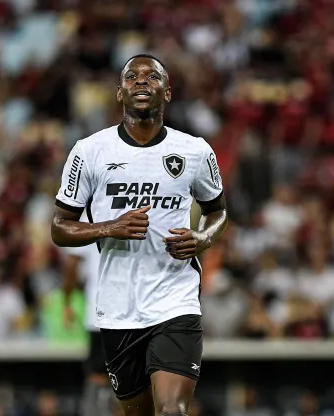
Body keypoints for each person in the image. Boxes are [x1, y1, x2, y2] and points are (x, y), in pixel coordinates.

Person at [51, 54, 228, 416]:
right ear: (119, 93)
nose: (142, 82)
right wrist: (109, 228)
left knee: (171, 411)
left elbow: (218, 211)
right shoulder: (89, 152)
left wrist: (203, 238)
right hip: (118, 309)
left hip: (175, 300)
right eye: (132, 77)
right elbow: (59, 227)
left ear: (167, 92)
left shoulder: (194, 151)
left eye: (152, 77)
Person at [60, 211, 112, 416]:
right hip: (128, 311)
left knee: (98, 374)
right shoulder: (130, 207)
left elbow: (72, 266)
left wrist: (67, 301)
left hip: (99, 311)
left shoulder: (88, 217)